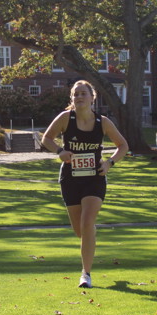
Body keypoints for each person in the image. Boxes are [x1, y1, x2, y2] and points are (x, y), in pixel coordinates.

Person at [41, 79, 128, 289]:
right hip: (70, 178)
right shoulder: (65, 118)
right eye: (76, 94)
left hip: (94, 178)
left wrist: (109, 163)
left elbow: (123, 145)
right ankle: (90, 235)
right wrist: (60, 151)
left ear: (92, 98)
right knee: (80, 230)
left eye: (83, 93)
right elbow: (46, 139)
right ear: (72, 98)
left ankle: (85, 274)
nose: (79, 97)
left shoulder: (102, 122)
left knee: (87, 222)